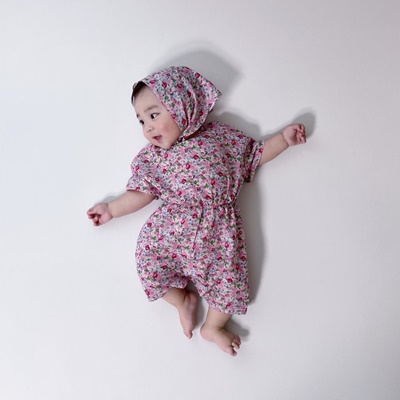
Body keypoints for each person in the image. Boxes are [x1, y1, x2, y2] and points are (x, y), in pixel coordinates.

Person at [87, 66, 306, 356]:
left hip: (218, 235)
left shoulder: (220, 138)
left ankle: (212, 327)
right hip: (170, 231)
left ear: (182, 106)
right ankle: (182, 300)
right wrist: (111, 209)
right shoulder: (154, 158)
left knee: (229, 284)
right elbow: (140, 193)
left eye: (153, 115)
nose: (147, 127)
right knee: (147, 264)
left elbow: (255, 154)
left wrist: (284, 140)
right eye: (141, 120)